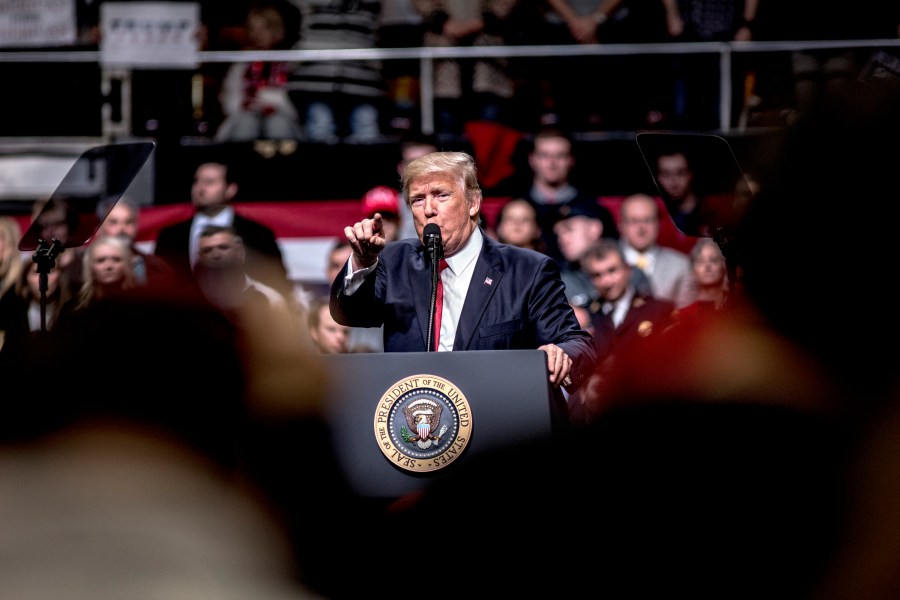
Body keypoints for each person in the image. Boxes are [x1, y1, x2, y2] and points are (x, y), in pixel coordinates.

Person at [330, 150, 595, 396]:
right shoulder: (393, 260)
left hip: (500, 423)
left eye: (441, 195)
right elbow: (349, 314)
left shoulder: (528, 269)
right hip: (417, 429)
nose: (428, 209)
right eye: (418, 200)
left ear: (473, 203)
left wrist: (560, 353)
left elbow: (577, 343)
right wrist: (363, 261)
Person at [153, 160, 291, 299]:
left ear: (231, 189)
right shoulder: (170, 236)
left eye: (209, 182)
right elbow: (159, 283)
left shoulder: (258, 234)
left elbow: (276, 280)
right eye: (196, 181)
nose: (199, 188)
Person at [410, 0, 523, 135]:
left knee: (488, 129)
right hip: (444, 52)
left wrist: (484, 20)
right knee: (446, 129)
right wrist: (443, 22)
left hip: (487, 52)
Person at [286, 0, 387, 143]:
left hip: (361, 77)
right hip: (317, 76)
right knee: (320, 126)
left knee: (366, 128)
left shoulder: (370, 6)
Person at [517, 127, 618, 264]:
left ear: (571, 160)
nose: (552, 163)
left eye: (560, 156)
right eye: (545, 155)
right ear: (532, 159)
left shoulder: (592, 210)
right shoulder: (517, 209)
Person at [214, 0, 305, 142]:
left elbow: (296, 103)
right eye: (253, 29)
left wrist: (272, 100)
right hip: (245, 115)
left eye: (264, 28)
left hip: (282, 116)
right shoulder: (242, 63)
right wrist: (247, 103)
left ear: (276, 29)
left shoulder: (290, 61)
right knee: (247, 124)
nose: (257, 34)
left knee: (277, 125)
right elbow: (229, 97)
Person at [194, 225, 295, 322]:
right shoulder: (189, 303)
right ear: (200, 257)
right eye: (207, 250)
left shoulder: (270, 299)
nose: (216, 255)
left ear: (239, 251)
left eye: (223, 247)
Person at [618, 192, 697, 308]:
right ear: (621, 225)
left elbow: (687, 317)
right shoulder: (601, 262)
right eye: (634, 221)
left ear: (659, 224)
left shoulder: (681, 265)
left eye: (648, 220)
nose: (641, 228)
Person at [95, 196, 175, 289]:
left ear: (136, 226)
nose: (122, 229)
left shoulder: (159, 268)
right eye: (113, 222)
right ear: (99, 229)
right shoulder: (80, 268)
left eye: (128, 222)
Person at [395, 131, 439, 241]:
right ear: (401, 168)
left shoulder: (458, 205)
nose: (421, 171)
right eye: (413, 164)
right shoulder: (389, 207)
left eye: (427, 163)